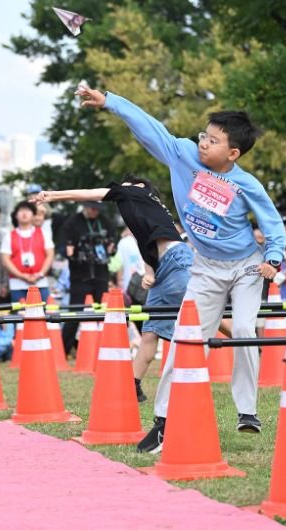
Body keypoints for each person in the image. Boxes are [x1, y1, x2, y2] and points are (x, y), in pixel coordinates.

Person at [77, 85, 284, 447]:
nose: (204, 142)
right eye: (204, 135)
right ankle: (163, 421)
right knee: (186, 338)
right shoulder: (183, 155)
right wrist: (111, 102)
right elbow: (150, 126)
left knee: (245, 328)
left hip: (246, 266)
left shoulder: (246, 184)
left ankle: (247, 411)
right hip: (205, 266)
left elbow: (272, 225)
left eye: (214, 141)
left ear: (233, 153)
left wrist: (273, 258)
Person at [34, 173, 194, 406]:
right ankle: (132, 386)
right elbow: (145, 241)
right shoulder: (140, 210)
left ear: (138, 185)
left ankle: (244, 338)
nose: (120, 189)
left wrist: (53, 196)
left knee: (200, 309)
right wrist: (149, 273)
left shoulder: (136, 191)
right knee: (150, 331)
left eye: (124, 185)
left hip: (176, 260)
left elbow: (92, 194)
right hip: (162, 269)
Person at [61, 202, 115, 354]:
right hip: (80, 275)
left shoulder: (105, 222)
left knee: (103, 313)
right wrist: (70, 251)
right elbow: (64, 247)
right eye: (92, 208)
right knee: (74, 313)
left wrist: (111, 247)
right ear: (85, 207)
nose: (94, 211)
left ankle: (107, 348)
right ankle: (64, 350)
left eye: (97, 209)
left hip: (100, 275)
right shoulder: (72, 222)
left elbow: (112, 245)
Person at [1, 201, 54, 303]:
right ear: (16, 215)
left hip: (40, 282)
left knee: (43, 315)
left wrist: (40, 274)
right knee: (20, 316)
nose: (24, 213)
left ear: (34, 215)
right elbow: (5, 260)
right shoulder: (9, 236)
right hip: (17, 283)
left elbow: (50, 255)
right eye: (21, 211)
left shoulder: (43, 233)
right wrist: (21, 275)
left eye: (28, 211)